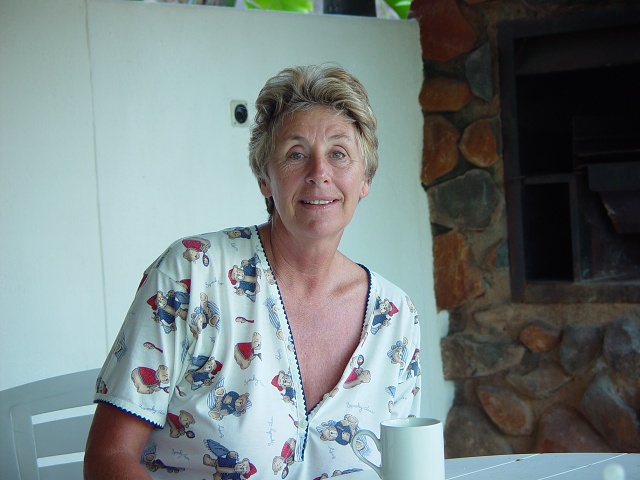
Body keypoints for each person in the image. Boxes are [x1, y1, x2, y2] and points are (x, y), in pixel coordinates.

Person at [84, 64, 421, 480]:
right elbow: (108, 457)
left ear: (364, 179)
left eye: (339, 153)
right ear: (265, 178)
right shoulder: (192, 274)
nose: (319, 173)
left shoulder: (396, 317)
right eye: (296, 154)